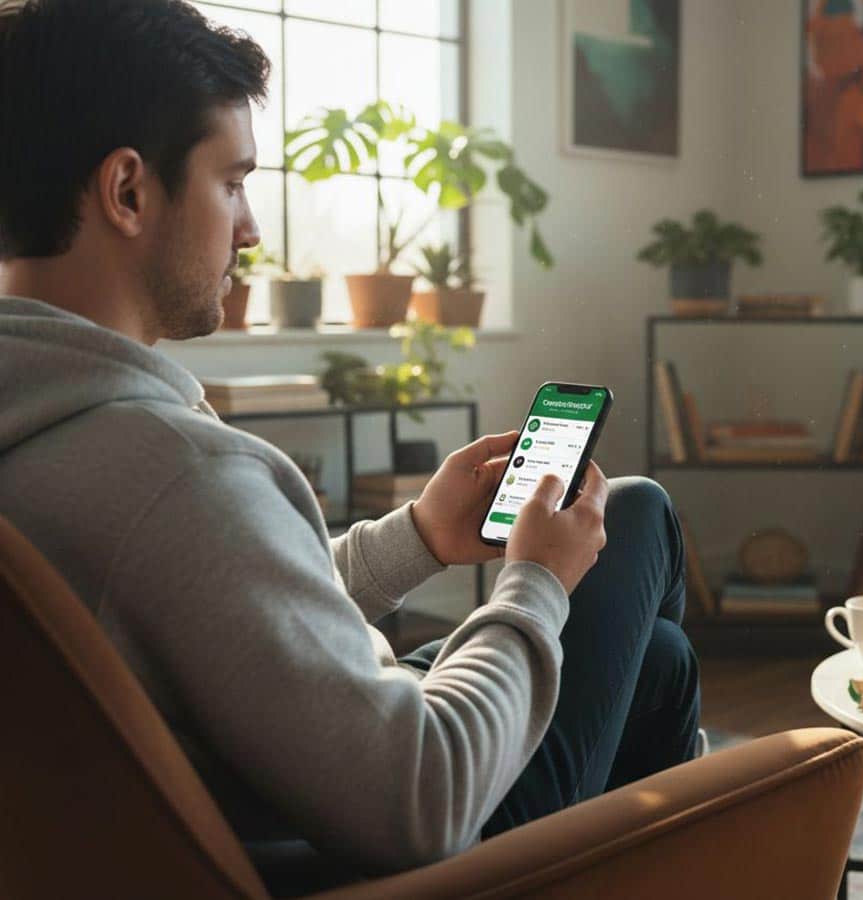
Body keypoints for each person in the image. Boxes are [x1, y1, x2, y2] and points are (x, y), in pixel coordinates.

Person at [0, 0, 701, 890]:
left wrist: (415, 538)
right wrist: (535, 582)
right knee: (635, 515)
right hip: (400, 855)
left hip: (268, 799)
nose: (250, 229)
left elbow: (221, 607)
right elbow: (426, 797)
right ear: (128, 191)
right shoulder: (179, 475)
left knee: (659, 662)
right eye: (233, 182)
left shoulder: (47, 428)